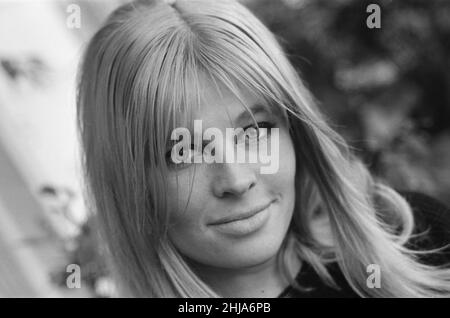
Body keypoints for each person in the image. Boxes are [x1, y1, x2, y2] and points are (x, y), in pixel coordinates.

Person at [76, 0, 450, 297]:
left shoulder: (415, 239)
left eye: (255, 131)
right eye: (184, 151)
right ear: (129, 186)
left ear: (296, 131)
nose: (236, 180)